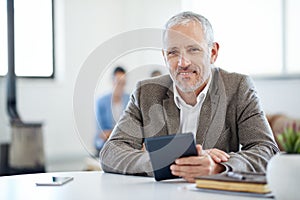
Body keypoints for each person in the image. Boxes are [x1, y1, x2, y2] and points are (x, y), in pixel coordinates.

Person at [100, 11, 279, 182]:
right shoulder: (146, 92)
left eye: (193, 50)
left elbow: (266, 150)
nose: (183, 63)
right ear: (164, 56)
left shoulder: (237, 87)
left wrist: (218, 166)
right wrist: (169, 161)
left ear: (213, 53)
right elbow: (111, 153)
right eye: (173, 52)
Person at [95, 66, 130, 154]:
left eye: (123, 83)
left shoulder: (130, 99)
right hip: (106, 141)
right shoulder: (101, 101)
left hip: (125, 141)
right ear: (112, 81)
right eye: (118, 82)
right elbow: (102, 133)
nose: (120, 86)